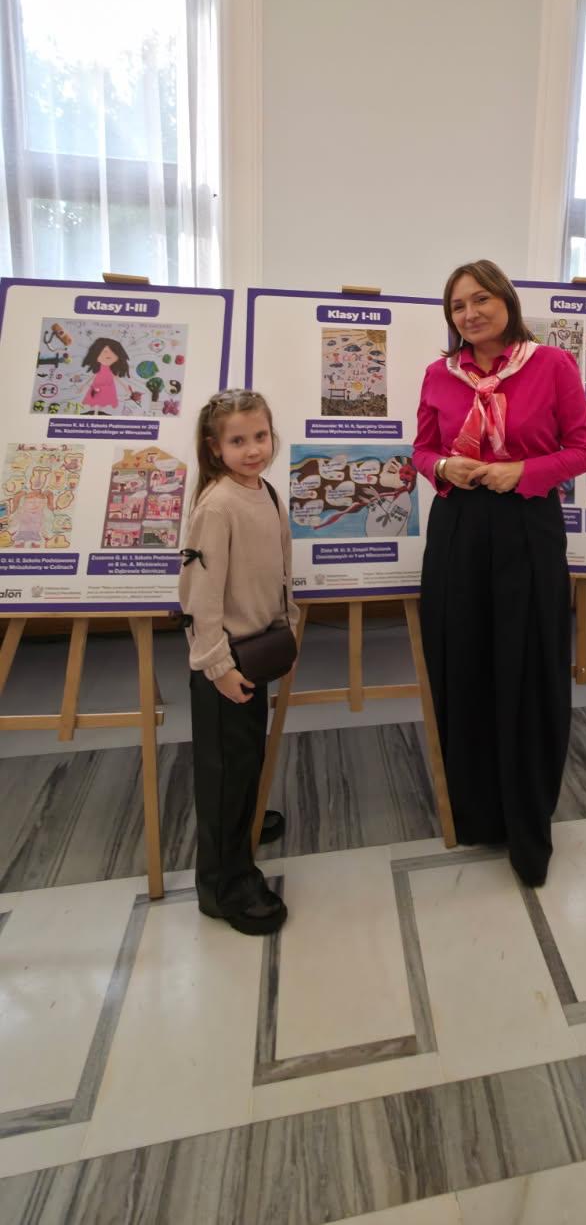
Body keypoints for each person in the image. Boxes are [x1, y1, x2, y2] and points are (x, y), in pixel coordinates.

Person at [413, 260, 586, 887]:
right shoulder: (439, 374)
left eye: (481, 299)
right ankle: (476, 811)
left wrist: (523, 471)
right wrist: (444, 468)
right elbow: (422, 449)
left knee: (527, 665)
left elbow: (584, 450)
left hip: (527, 524)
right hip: (458, 528)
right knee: (462, 660)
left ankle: (527, 823)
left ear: (507, 302)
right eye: (457, 305)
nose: (470, 314)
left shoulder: (552, 365)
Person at [179, 388, 298, 935]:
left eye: (260, 436)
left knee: (245, 757)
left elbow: (280, 566)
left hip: (254, 652)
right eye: (238, 441)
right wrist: (216, 664)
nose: (253, 449)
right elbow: (200, 596)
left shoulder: (265, 492)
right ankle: (224, 885)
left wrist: (288, 621)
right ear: (215, 447)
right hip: (224, 664)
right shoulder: (218, 505)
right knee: (224, 773)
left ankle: (242, 825)